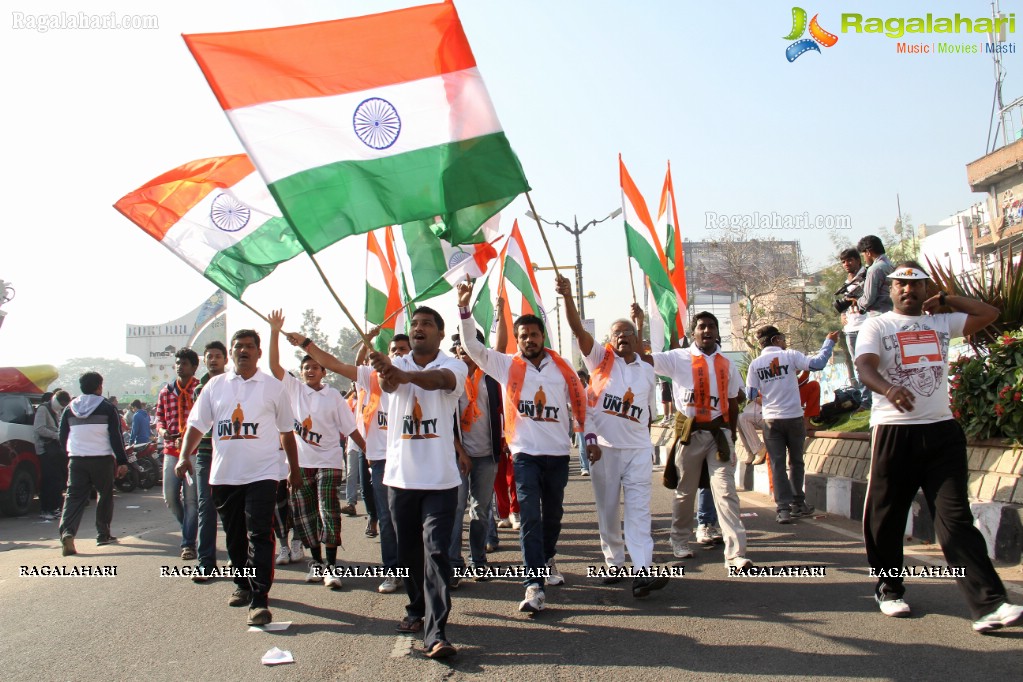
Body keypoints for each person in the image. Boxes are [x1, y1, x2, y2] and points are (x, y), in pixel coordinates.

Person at [854, 261, 1023, 633]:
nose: (907, 291)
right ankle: (889, 587)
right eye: (901, 284)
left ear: (925, 288)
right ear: (892, 288)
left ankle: (989, 605)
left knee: (956, 519)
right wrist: (887, 388)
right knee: (886, 517)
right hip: (895, 431)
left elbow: (989, 313)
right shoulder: (878, 324)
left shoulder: (941, 322)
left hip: (942, 432)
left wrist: (947, 299)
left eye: (915, 285)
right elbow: (864, 366)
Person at [456, 280, 594, 613]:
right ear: (517, 341)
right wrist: (464, 310)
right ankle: (533, 584)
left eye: (533, 334)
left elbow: (581, 405)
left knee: (554, 516)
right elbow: (474, 349)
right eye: (523, 336)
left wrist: (587, 438)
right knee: (530, 515)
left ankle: (547, 558)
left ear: (542, 337)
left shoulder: (562, 370)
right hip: (524, 456)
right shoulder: (507, 366)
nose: (528, 340)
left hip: (558, 455)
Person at [362, 306, 468, 660]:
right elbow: (388, 383)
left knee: (437, 553)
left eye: (426, 324)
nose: (419, 328)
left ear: (439, 333)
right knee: (409, 553)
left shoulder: (455, 365)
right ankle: (415, 607)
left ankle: (436, 633)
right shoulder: (399, 364)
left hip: (440, 480)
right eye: (415, 324)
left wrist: (400, 374)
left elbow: (438, 381)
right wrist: (386, 369)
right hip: (400, 479)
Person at [178, 329, 301, 627]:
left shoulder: (274, 388)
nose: (243, 351)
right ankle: (242, 584)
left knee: (259, 534)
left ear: (259, 353)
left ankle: (260, 599)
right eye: (238, 347)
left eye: (249, 347)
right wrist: (184, 455)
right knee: (234, 537)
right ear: (231, 353)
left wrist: (294, 470)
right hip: (224, 476)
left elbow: (287, 431)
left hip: (263, 473)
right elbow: (197, 424)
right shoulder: (215, 386)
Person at [559, 276, 666, 598]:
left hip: (637, 451)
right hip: (604, 450)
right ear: (609, 339)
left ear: (637, 341)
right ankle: (614, 563)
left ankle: (643, 570)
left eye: (627, 333)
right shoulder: (599, 360)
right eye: (616, 334)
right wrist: (568, 297)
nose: (622, 337)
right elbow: (579, 331)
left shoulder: (646, 369)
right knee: (608, 511)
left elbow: (647, 409)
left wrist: (640, 323)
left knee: (639, 512)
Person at [633, 306, 752, 571]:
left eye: (711, 326)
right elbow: (642, 358)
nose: (707, 330)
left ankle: (736, 554)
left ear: (718, 332)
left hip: (718, 435)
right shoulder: (678, 358)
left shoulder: (727, 363)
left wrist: (731, 437)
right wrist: (639, 324)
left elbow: (732, 403)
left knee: (726, 492)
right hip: (690, 434)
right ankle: (679, 540)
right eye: (702, 327)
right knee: (685, 492)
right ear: (693, 333)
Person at [294, 328, 407, 594]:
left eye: (404, 350)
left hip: (413, 458)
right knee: (387, 518)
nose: (399, 355)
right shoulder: (371, 378)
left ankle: (423, 568)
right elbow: (336, 364)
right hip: (380, 459)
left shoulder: (418, 378)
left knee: (413, 518)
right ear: (384, 356)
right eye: (394, 351)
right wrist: (306, 343)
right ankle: (393, 570)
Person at [267, 310, 365, 589]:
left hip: (330, 462)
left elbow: (351, 430)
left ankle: (332, 567)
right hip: (300, 465)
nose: (310, 371)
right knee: (305, 515)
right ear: (301, 373)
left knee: (327, 511)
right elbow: (274, 365)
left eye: (315, 367)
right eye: (305, 368)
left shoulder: (333, 396)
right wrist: (275, 331)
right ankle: (317, 562)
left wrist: (369, 453)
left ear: (323, 371)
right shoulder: (294, 390)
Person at [746, 326, 838, 524]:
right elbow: (818, 364)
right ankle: (798, 504)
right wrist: (828, 342)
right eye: (783, 339)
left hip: (770, 421)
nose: (785, 342)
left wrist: (769, 387)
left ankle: (783, 509)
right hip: (794, 418)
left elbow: (751, 394)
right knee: (796, 462)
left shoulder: (755, 365)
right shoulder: (790, 356)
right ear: (777, 339)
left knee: (778, 464)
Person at [447, 329, 506, 588]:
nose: (462, 350)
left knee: (480, 511)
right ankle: (453, 564)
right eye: (459, 346)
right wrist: (460, 451)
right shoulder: (451, 378)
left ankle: (478, 560)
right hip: (458, 456)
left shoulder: (492, 377)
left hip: (487, 455)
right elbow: (444, 419)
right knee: (456, 510)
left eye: (467, 346)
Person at [57, 372, 129, 556]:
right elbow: (116, 436)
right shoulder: (106, 407)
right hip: (101, 459)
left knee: (74, 497)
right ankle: (103, 535)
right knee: (104, 495)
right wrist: (122, 461)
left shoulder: (70, 408)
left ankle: (68, 533)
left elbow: (62, 436)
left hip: (77, 459)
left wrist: (70, 453)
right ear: (99, 387)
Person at [155, 348, 200, 560]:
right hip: (171, 450)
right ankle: (188, 529)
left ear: (193, 367)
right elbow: (159, 418)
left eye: (184, 363)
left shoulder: (200, 389)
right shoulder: (166, 391)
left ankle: (188, 543)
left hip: (193, 451)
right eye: (178, 363)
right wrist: (164, 432)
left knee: (191, 500)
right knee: (170, 497)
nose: (180, 366)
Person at [190, 341, 227, 582]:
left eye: (217, 356)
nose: (212, 360)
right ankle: (206, 563)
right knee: (206, 506)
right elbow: (196, 422)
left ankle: (240, 554)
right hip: (205, 452)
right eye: (209, 356)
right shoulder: (199, 389)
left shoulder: (235, 384)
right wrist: (185, 454)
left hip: (230, 452)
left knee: (234, 508)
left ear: (226, 359)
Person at [838, 248, 870, 408]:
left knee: (872, 362)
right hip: (851, 327)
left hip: (867, 325)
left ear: (858, 260)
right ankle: (866, 400)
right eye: (843, 262)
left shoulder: (867, 277)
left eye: (849, 260)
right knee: (858, 364)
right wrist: (842, 312)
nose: (847, 264)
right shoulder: (845, 285)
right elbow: (844, 305)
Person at [34, 390, 71, 520]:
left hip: (56, 450)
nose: (61, 407)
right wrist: (57, 435)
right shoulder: (43, 409)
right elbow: (39, 428)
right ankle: (46, 509)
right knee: (49, 479)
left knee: (58, 480)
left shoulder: (58, 410)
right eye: (61, 404)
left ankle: (55, 508)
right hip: (45, 450)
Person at [850, 235, 894, 317]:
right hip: (892, 313)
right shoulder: (890, 264)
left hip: (879, 317)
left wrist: (857, 301)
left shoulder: (874, 269)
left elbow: (868, 299)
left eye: (863, 255)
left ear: (868, 252)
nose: (864, 259)